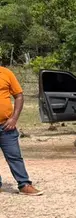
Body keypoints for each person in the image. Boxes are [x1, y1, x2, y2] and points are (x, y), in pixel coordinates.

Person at [0, 66, 43, 196]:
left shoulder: (6, 73)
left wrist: (14, 118)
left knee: (14, 156)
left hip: (6, 126)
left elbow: (19, 96)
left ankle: (24, 185)